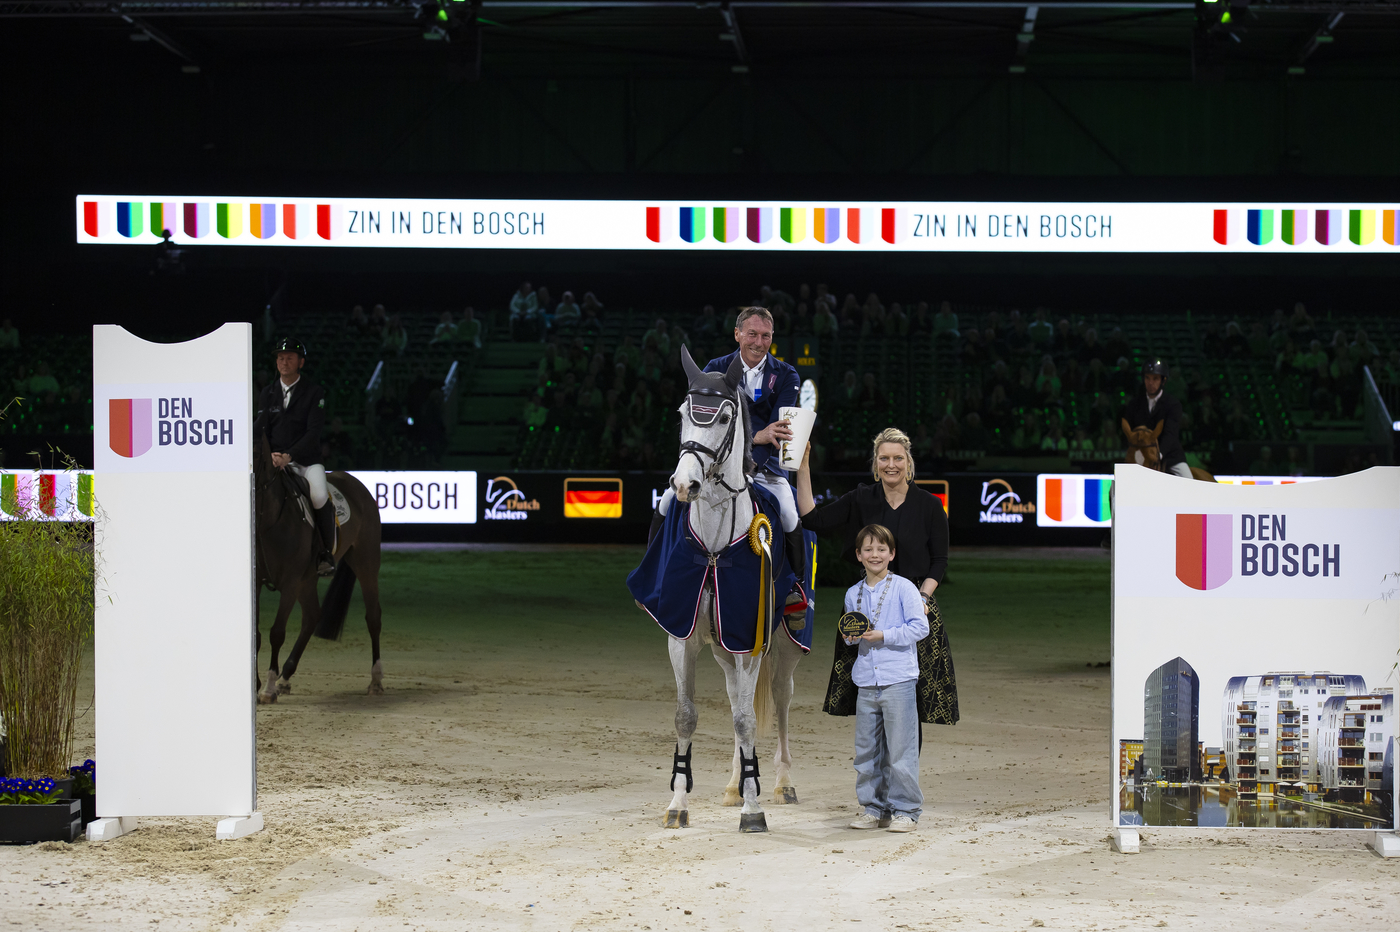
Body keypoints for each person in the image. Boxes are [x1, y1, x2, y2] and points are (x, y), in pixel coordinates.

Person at [794, 427, 957, 737]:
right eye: (884, 458)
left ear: (908, 462)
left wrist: (923, 598)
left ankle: (903, 764)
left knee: (913, 699)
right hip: (867, 605)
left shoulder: (929, 505)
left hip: (915, 604)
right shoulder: (860, 498)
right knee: (868, 693)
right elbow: (814, 519)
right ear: (875, 462)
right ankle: (873, 763)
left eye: (898, 458)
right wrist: (803, 467)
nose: (891, 465)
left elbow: (939, 561)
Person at [839, 524, 928, 833]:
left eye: (881, 549)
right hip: (866, 681)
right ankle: (873, 808)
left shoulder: (904, 588)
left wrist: (884, 635)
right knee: (867, 751)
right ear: (858, 555)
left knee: (901, 750)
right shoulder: (853, 593)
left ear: (892, 554)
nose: (874, 554)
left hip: (898, 679)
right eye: (868, 549)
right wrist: (851, 637)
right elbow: (850, 635)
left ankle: (906, 810)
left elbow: (920, 627)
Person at [253, 338, 337, 575]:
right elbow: (261, 427)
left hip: (306, 461)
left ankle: (325, 554)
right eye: (280, 358)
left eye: (289, 358)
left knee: (319, 495)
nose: (284, 362)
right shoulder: (268, 392)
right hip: (275, 461)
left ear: (301, 362)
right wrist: (269, 454)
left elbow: (313, 432)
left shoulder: (314, 392)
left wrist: (289, 456)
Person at [1122, 359, 1190, 478]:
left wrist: (1158, 454)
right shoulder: (1134, 404)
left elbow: (1170, 434)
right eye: (1147, 378)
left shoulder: (1173, 404)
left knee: (1188, 479)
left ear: (1163, 381)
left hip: (1169, 456)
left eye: (1155, 379)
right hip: (1140, 454)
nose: (1150, 383)